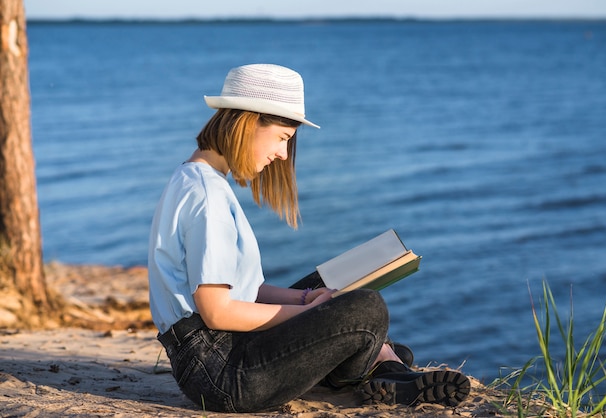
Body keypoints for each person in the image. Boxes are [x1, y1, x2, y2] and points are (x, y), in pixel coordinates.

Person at [148, 63, 470, 413]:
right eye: (283, 138)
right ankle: (377, 365)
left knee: (333, 289)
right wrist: (318, 311)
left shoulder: (195, 179)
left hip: (216, 358)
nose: (283, 155)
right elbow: (217, 312)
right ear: (249, 122)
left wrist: (307, 301)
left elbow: (246, 291)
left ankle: (382, 365)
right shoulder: (208, 196)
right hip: (221, 374)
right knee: (365, 308)